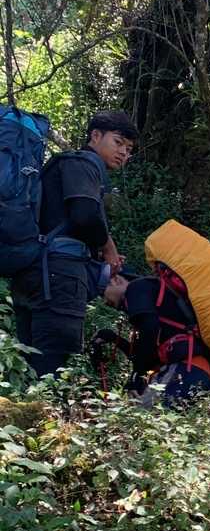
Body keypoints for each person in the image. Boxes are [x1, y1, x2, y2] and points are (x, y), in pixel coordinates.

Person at [11, 111, 136, 377]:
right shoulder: (84, 163)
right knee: (53, 369)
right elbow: (84, 216)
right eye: (118, 142)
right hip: (59, 277)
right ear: (95, 136)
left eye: (128, 149)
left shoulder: (61, 165)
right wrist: (108, 248)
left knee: (28, 366)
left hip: (31, 270)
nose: (123, 153)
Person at [92, 270, 210, 406]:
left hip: (185, 369)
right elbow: (147, 354)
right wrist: (113, 338)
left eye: (101, 292)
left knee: (144, 414)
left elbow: (149, 331)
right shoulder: (152, 295)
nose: (104, 301)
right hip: (199, 372)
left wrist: (136, 376)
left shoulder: (136, 288)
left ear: (116, 280)